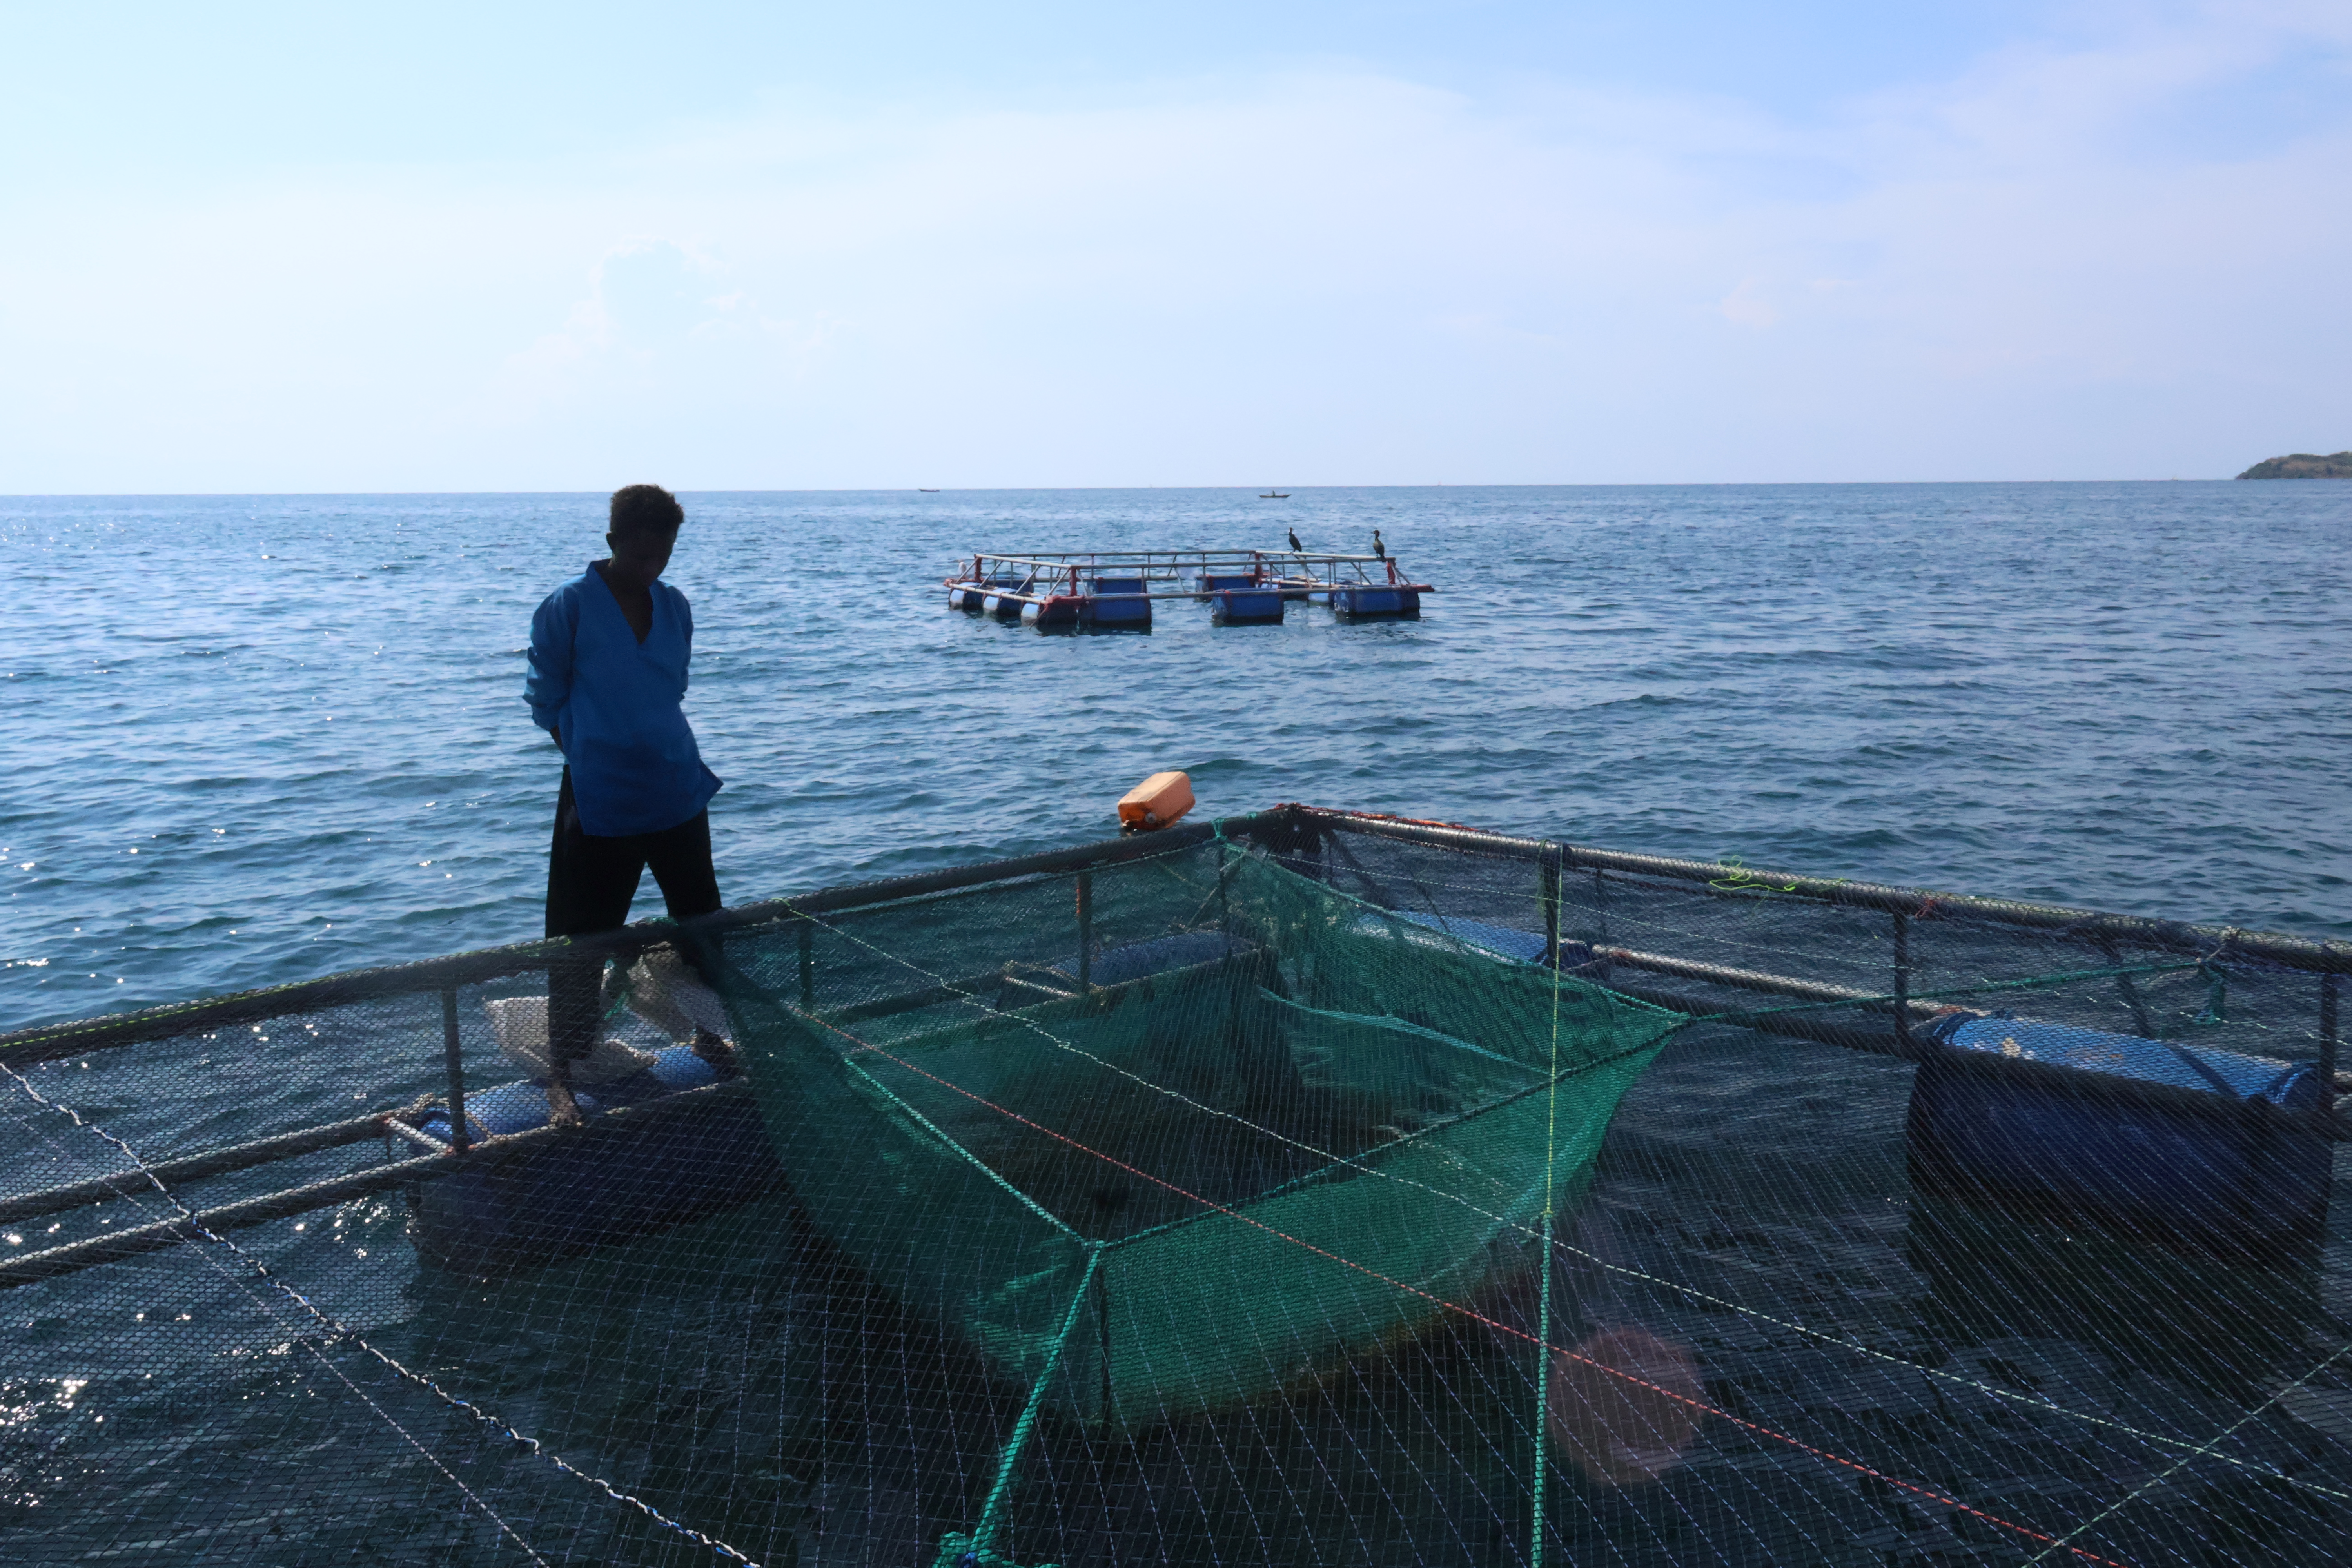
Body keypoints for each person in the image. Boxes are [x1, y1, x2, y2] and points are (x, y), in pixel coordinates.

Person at [523, 484, 729, 1126]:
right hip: (601, 799)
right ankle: (565, 1069)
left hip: (676, 787)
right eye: (640, 556)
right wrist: (590, 752)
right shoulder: (570, 607)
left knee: (702, 925)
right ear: (612, 542)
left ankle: (712, 1034)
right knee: (580, 941)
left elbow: (674, 686)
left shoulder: (675, 607)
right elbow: (544, 697)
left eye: (662, 556)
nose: (651, 569)